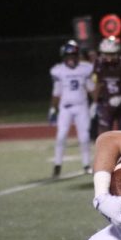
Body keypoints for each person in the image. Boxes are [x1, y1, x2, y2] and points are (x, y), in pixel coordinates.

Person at [49, 40, 95, 178]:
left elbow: (91, 87)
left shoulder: (85, 68)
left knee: (84, 137)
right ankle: (57, 164)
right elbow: (56, 91)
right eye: (68, 56)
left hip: (82, 106)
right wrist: (53, 109)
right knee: (61, 136)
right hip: (65, 108)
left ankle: (86, 164)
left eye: (73, 56)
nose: (71, 59)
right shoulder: (58, 70)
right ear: (64, 57)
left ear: (77, 56)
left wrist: (96, 103)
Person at [92, 36, 121, 134]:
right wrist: (94, 102)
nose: (108, 58)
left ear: (117, 53)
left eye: (111, 54)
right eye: (106, 54)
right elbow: (99, 84)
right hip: (106, 102)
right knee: (103, 133)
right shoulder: (99, 63)